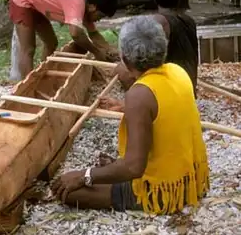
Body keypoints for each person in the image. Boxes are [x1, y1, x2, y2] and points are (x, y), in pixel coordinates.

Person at [52, 16, 209, 215]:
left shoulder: (139, 95)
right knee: (112, 169)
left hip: (164, 190)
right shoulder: (177, 71)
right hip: (191, 179)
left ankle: (115, 180)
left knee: (68, 192)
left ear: (125, 59)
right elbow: (165, 111)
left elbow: (135, 168)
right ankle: (114, 171)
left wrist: (85, 175)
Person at [9, 0, 118, 78]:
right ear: (93, 7)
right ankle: (27, 89)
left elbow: (94, 34)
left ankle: (42, 76)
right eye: (101, 16)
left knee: (51, 43)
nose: (98, 20)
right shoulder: (77, 2)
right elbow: (76, 34)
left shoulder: (87, 6)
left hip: (35, 3)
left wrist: (109, 50)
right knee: (28, 49)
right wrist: (97, 52)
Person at [115, 0, 199, 97]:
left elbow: (146, 55)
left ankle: (140, 103)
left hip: (172, 86)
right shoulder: (190, 21)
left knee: (122, 70)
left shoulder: (160, 21)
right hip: (188, 84)